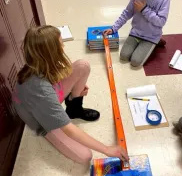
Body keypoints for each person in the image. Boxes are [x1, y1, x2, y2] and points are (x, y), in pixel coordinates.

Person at [13, 26, 128, 164]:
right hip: (41, 122)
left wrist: (74, 86)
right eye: (61, 45)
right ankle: (68, 111)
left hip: (43, 100)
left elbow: (55, 76)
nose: (63, 47)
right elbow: (68, 129)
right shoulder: (41, 90)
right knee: (85, 156)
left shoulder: (37, 62)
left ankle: (74, 110)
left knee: (82, 66)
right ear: (51, 53)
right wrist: (106, 149)